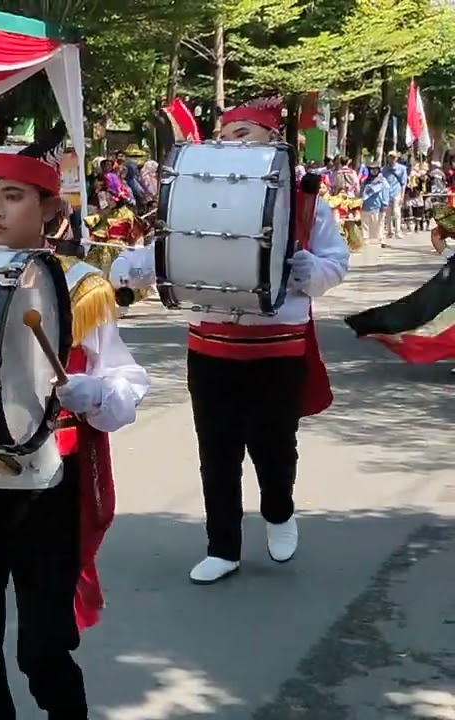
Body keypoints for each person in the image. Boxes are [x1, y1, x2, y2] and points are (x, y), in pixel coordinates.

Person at [0, 123, 151, 720]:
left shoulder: (80, 286)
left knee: (42, 646)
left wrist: (87, 392)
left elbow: (126, 385)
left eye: (12, 196)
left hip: (48, 486)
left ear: (49, 211)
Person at [120, 96, 349, 585]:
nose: (232, 142)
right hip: (210, 342)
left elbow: (336, 262)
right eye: (226, 135)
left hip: (278, 343)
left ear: (273, 139)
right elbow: (173, 243)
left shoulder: (306, 199)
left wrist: (315, 272)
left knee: (273, 443)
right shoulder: (197, 191)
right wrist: (139, 266)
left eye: (245, 133)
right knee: (216, 449)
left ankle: (279, 510)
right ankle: (222, 545)